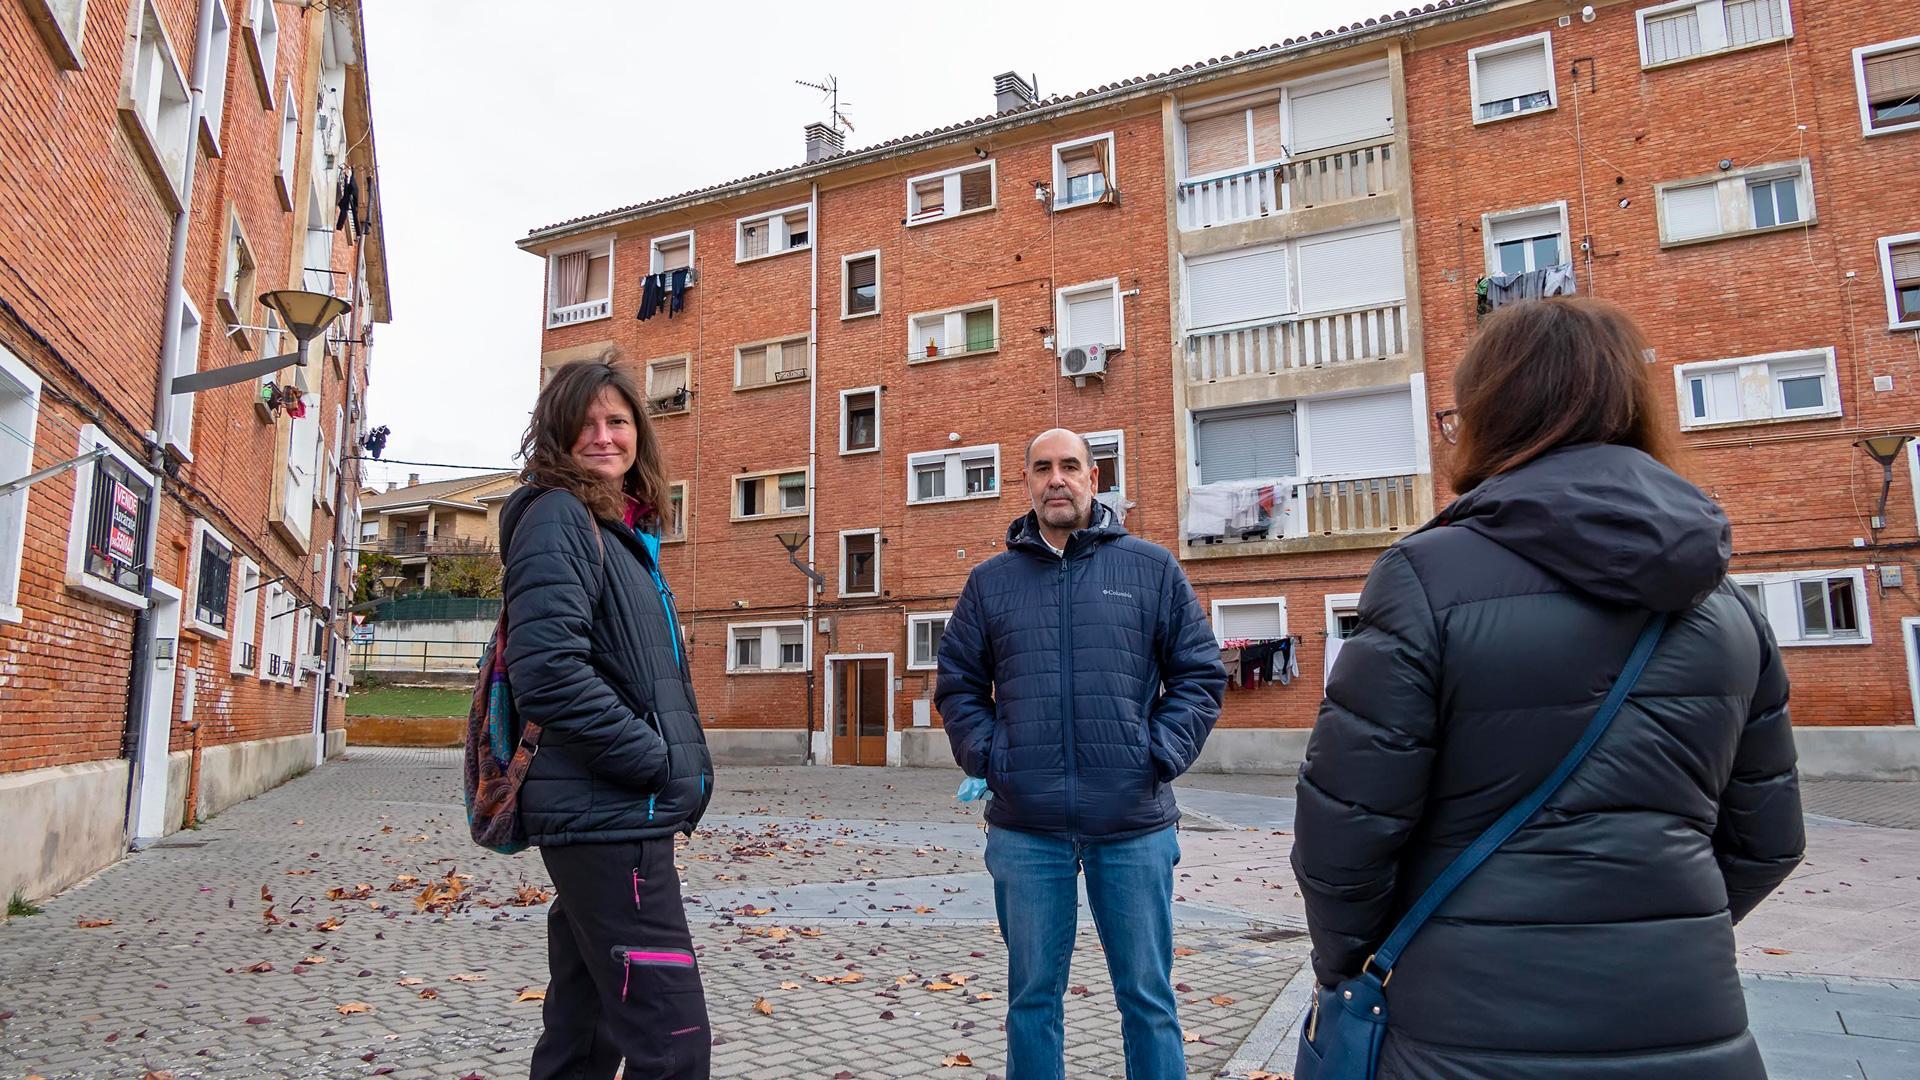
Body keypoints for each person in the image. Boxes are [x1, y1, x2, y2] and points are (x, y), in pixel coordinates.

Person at [1292, 299, 1805, 1079]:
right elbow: (1769, 841)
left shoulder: (1424, 579)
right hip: (1685, 1026)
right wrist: (1651, 933)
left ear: (1491, 410)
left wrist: (1357, 964)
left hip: (1462, 1031)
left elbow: (1344, 836)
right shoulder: (1730, 607)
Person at [937, 427, 1227, 1080]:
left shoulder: (1150, 570)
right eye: (1042, 468)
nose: (1056, 479)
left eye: (1070, 466)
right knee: (1032, 1000)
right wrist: (990, 759)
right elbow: (956, 683)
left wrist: (1156, 755)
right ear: (1027, 483)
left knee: (1147, 999)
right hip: (1027, 828)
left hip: (1132, 825)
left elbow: (1200, 674)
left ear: (1095, 479)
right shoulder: (991, 584)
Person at [501, 357, 715, 1080]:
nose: (603, 436)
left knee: (584, 1034)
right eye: (585, 423)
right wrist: (654, 761)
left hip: (612, 817)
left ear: (638, 435)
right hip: (611, 815)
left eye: (617, 421)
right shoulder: (559, 516)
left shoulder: (617, 533)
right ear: (558, 436)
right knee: (672, 1041)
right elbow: (549, 675)